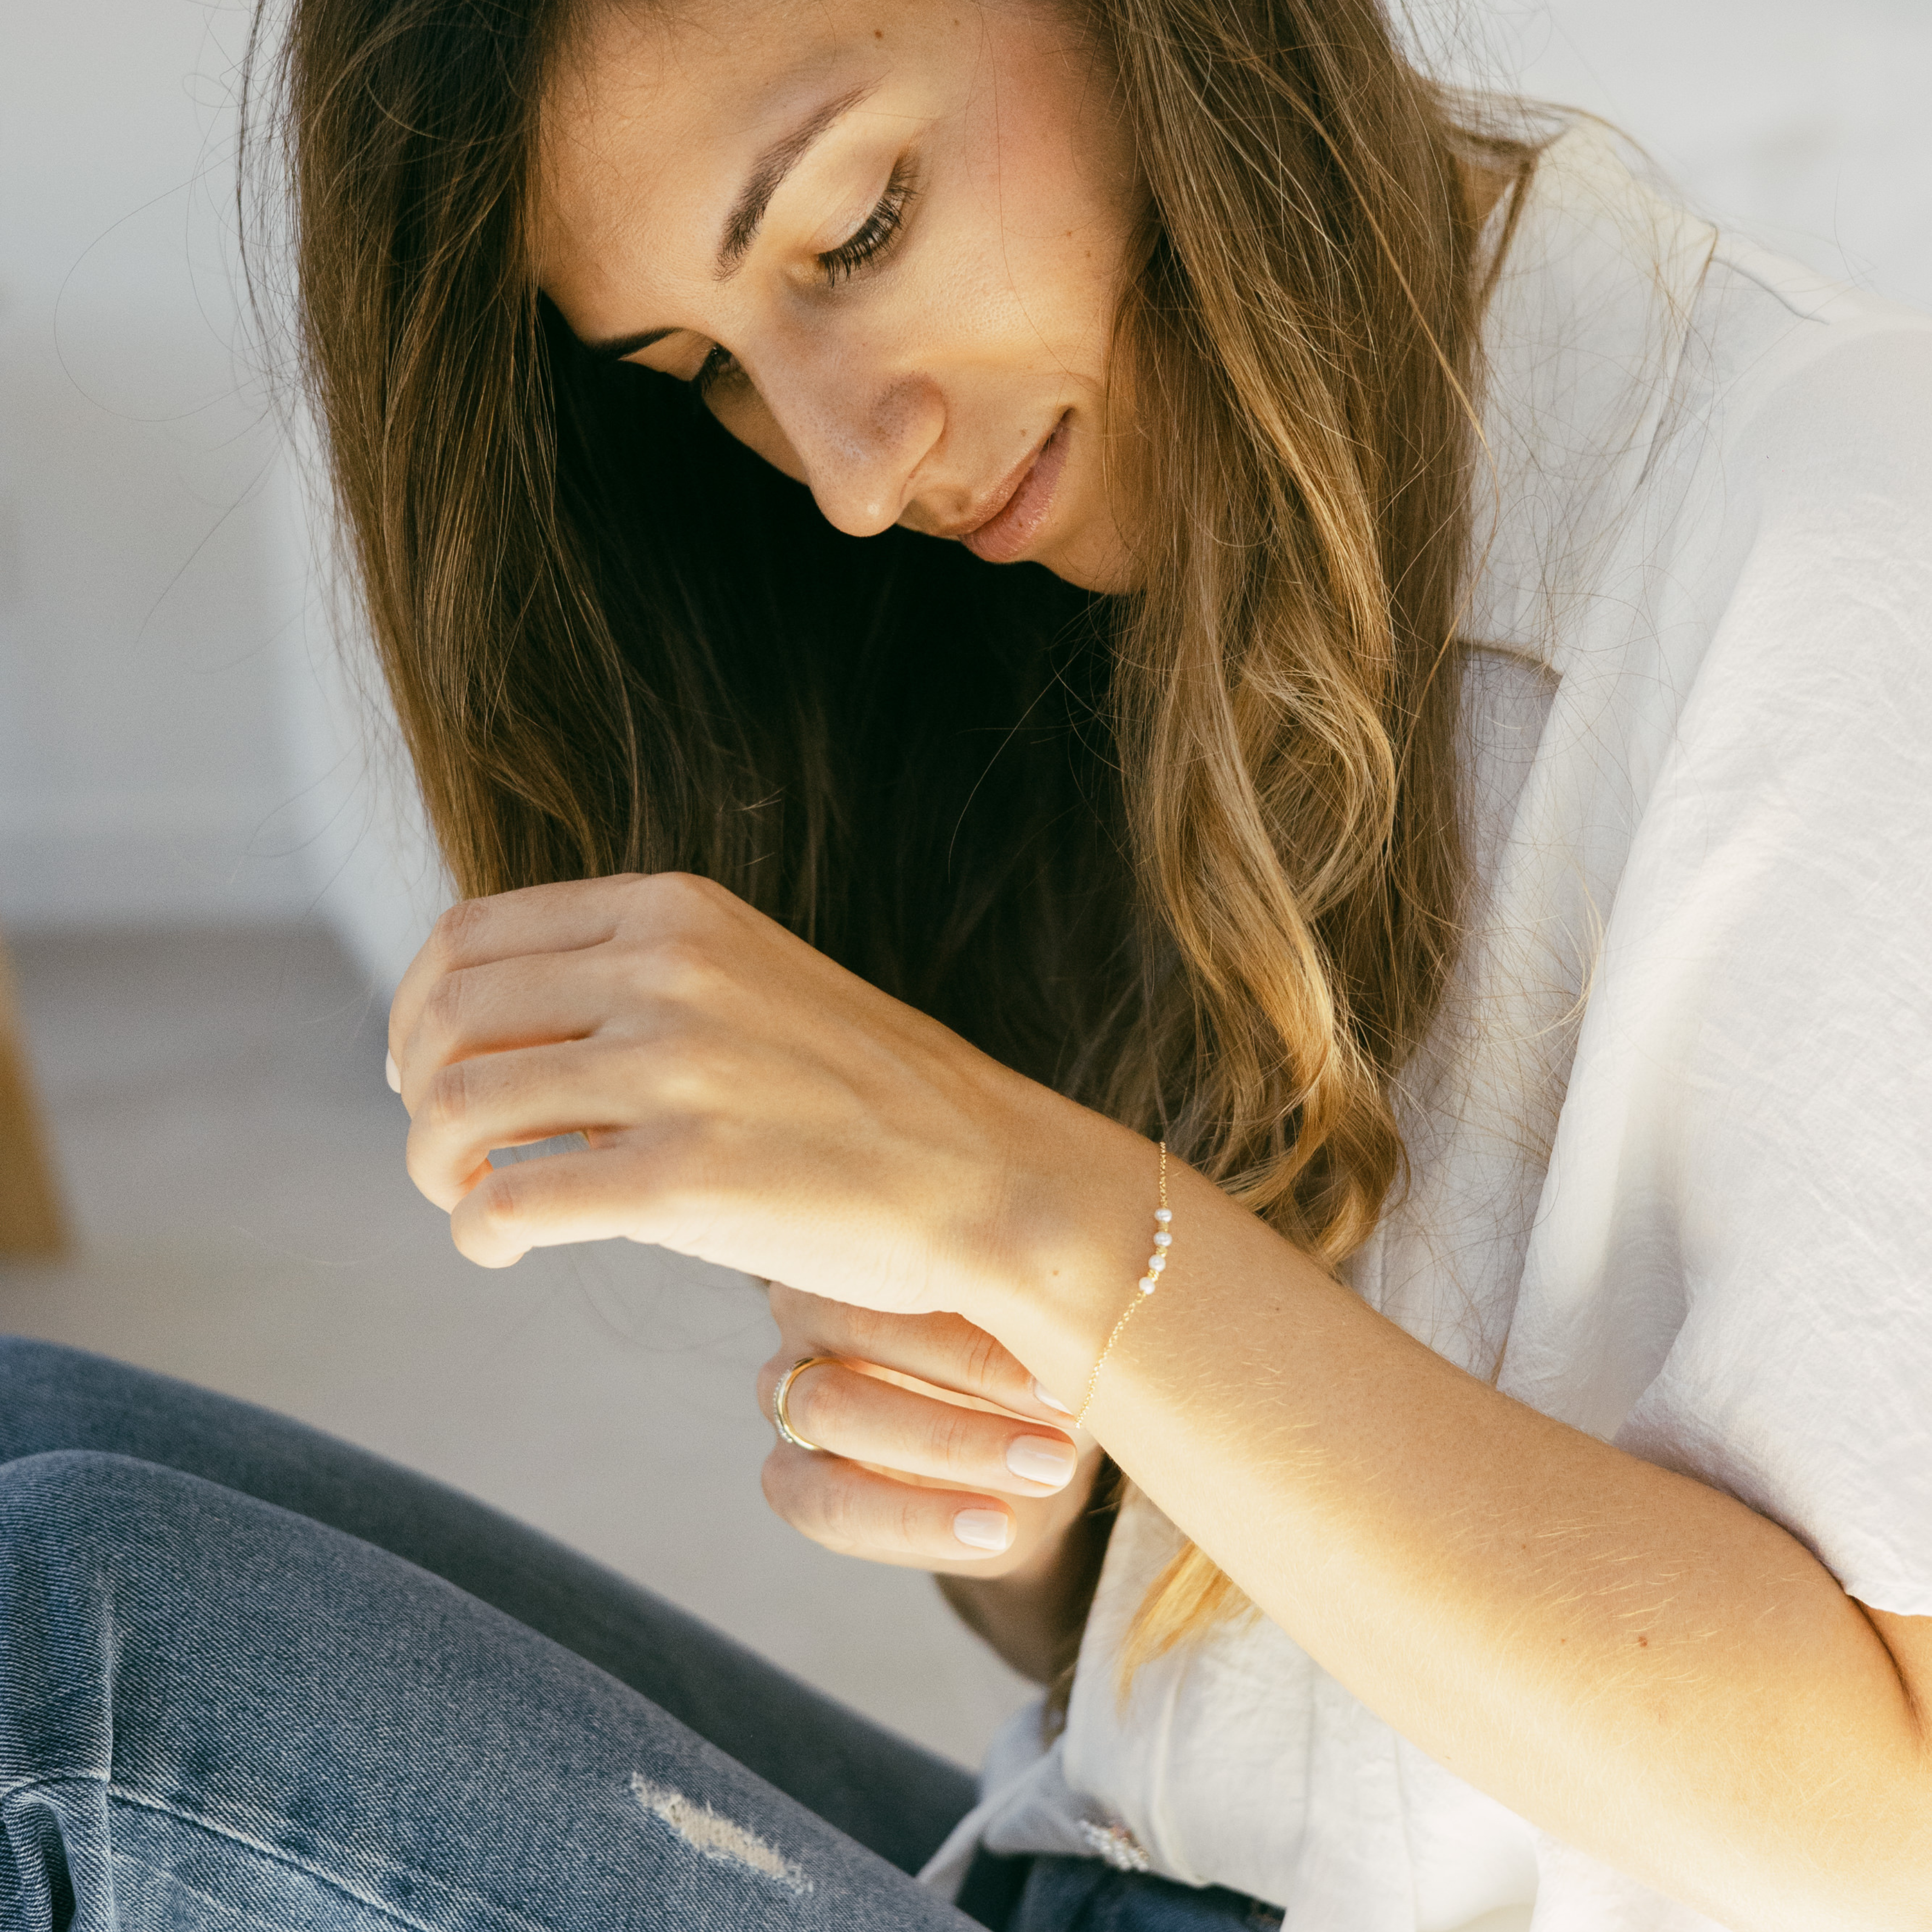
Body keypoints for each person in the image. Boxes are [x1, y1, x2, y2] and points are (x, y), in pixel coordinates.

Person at [5, 0, 1930, 1925]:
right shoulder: (1153, 569)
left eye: (854, 230)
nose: (846, 471)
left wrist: (1046, 1216)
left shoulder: (1840, 540)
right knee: (35, 1432)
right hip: (1105, 1854)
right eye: (701, 372)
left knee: (59, 1664)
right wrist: (1026, 1479)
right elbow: (1160, 1664)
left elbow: (1890, 1818)